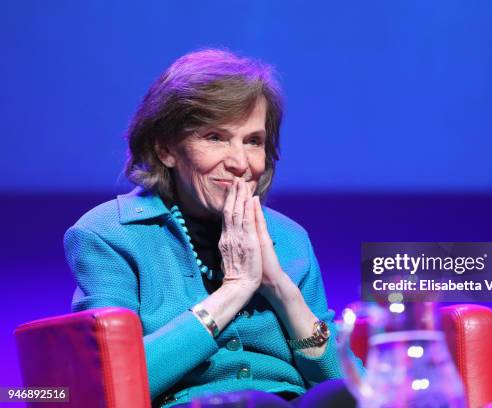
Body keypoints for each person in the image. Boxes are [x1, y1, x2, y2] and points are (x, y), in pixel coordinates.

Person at [64, 49, 361, 407]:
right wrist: (234, 290)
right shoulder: (109, 234)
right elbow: (110, 383)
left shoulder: (289, 238)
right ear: (166, 149)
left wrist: (282, 291)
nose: (239, 163)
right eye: (215, 137)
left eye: (253, 141)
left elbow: (358, 389)